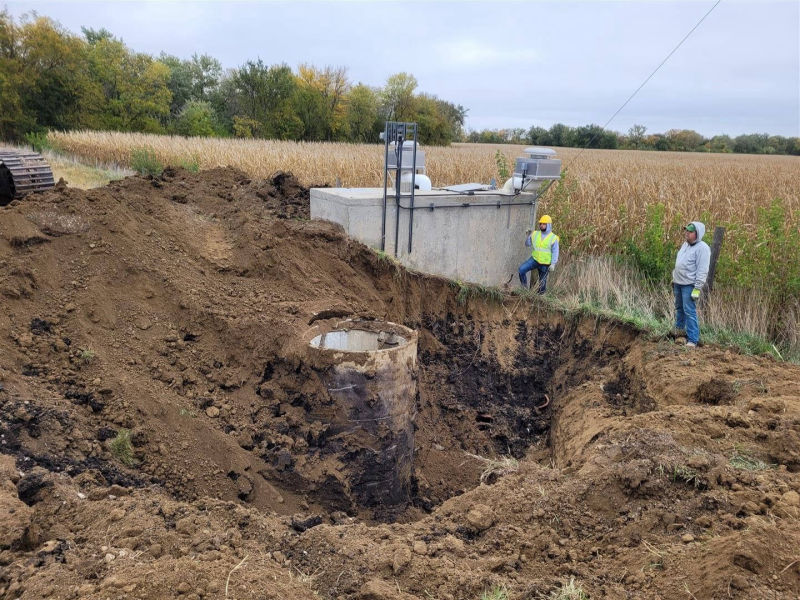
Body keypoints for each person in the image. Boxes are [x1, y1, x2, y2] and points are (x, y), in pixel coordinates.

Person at [672, 221, 711, 347]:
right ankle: (679, 334)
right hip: (678, 282)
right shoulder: (685, 245)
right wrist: (674, 278)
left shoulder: (703, 248)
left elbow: (702, 269)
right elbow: (680, 263)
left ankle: (692, 340)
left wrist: (697, 288)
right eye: (686, 231)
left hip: (689, 285)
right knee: (679, 309)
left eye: (690, 232)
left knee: (689, 310)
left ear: (697, 234)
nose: (687, 234)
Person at [518, 215, 559, 294]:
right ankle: (524, 291)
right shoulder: (535, 234)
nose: (541, 225)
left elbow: (555, 252)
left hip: (545, 263)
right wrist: (528, 236)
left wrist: (553, 264)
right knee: (521, 270)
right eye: (540, 223)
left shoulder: (553, 238)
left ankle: (539, 300)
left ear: (548, 225)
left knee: (542, 285)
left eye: (544, 224)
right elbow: (527, 244)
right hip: (534, 259)